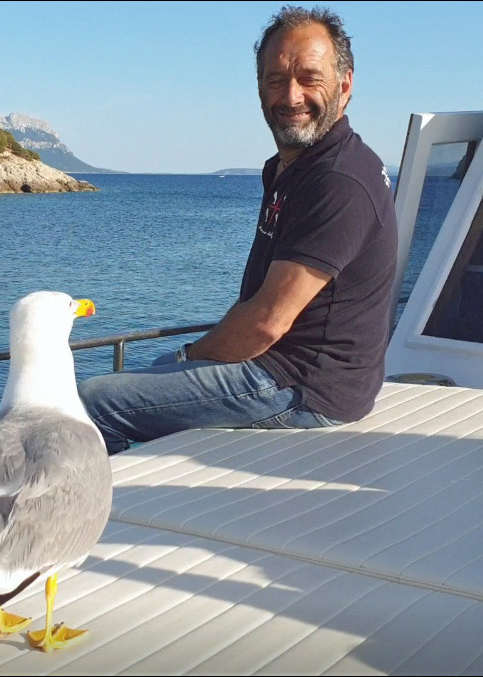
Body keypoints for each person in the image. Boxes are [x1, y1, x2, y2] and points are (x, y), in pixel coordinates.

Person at [78, 6, 397, 454]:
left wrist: (189, 357)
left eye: (310, 78)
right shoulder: (295, 168)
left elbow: (267, 323)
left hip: (303, 387)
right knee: (149, 373)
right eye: (275, 80)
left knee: (89, 402)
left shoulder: (338, 181)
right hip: (293, 372)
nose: (291, 96)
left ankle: (109, 512)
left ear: (344, 86)